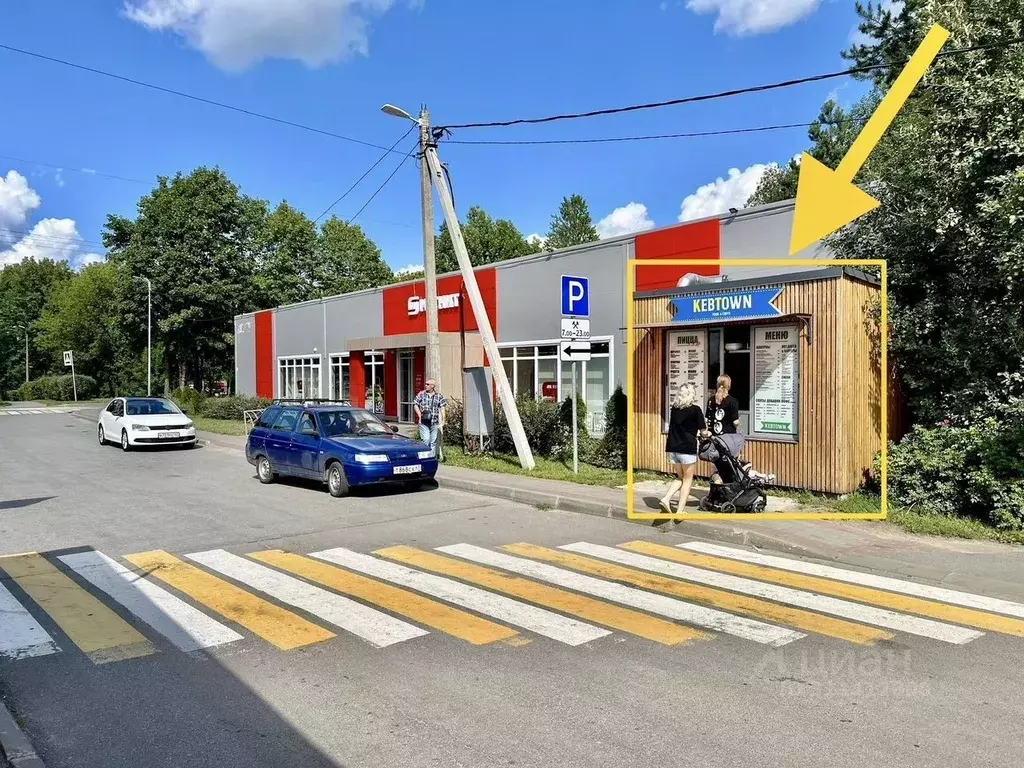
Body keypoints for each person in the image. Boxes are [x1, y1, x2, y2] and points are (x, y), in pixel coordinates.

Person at [660, 382, 708, 514]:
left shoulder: (674, 409)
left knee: (680, 478)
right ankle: (680, 511)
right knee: (687, 480)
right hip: (687, 449)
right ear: (692, 395)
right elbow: (703, 432)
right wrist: (708, 434)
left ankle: (666, 498)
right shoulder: (696, 410)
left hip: (672, 448)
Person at [703, 374, 745, 483]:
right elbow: (735, 422)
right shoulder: (732, 401)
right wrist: (740, 425)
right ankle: (729, 490)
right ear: (729, 385)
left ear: (717, 385)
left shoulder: (711, 400)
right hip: (728, 440)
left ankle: (716, 490)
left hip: (714, 440)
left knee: (717, 468)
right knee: (730, 467)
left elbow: (707, 420)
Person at [413, 378, 447, 458]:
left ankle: (431, 458)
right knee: (426, 440)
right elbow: (415, 404)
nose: (426, 385)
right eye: (426, 384)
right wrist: (419, 415)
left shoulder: (439, 396)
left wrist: (443, 420)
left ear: (433, 386)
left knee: (433, 442)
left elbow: (442, 408)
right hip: (424, 422)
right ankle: (424, 456)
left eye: (428, 384)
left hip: (434, 422)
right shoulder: (421, 394)